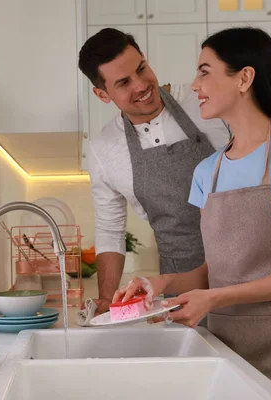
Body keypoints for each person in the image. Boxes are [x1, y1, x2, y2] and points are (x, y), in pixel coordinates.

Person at [113, 27, 271, 400]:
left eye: (205, 71)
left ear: (245, 77)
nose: (194, 84)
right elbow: (215, 271)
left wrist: (217, 299)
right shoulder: (208, 171)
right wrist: (162, 284)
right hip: (227, 355)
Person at [78, 28, 231, 316]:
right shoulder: (104, 149)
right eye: (123, 82)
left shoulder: (204, 101)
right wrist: (107, 300)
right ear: (102, 94)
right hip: (180, 285)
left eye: (142, 68)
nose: (141, 85)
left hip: (242, 265)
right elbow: (111, 230)